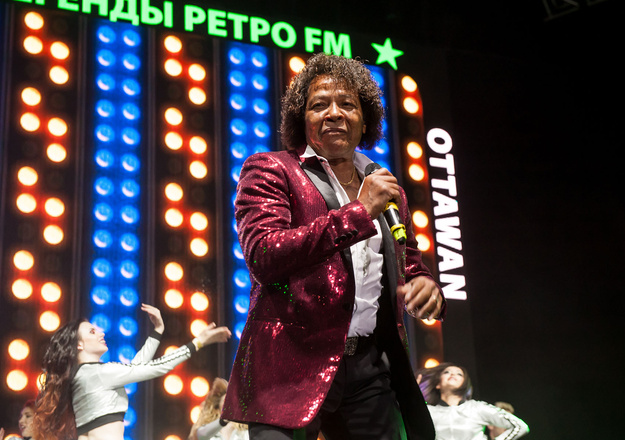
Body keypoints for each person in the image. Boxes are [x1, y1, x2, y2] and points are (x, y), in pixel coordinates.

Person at [221, 52, 446, 440]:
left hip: (370, 368)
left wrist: (424, 284)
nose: (334, 114)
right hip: (291, 365)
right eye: (319, 105)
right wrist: (359, 212)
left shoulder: (383, 184)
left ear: (365, 119)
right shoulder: (271, 169)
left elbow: (408, 262)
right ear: (302, 119)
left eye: (347, 104)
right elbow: (264, 254)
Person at [32, 303, 231, 440]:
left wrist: (157, 332)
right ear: (79, 345)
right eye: (92, 331)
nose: (101, 333)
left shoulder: (87, 375)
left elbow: (136, 368)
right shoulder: (98, 373)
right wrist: (199, 342)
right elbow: (156, 367)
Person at [417, 363, 529, 440]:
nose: (453, 374)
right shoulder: (428, 412)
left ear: (464, 384)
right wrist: (410, 393)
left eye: (459, 374)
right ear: (438, 384)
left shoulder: (477, 408)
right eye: (447, 372)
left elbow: (520, 426)